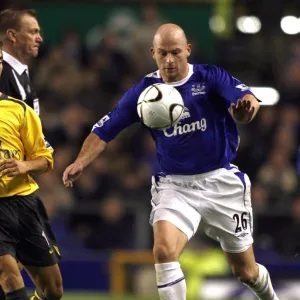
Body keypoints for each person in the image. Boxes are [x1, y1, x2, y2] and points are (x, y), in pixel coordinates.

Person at [63, 23, 279, 300]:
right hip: (175, 186)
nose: (169, 60)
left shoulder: (209, 77)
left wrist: (246, 111)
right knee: (164, 251)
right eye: (162, 53)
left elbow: (247, 100)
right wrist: (80, 162)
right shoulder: (144, 92)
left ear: (187, 50)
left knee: (245, 272)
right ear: (153, 53)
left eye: (175, 52)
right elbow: (103, 129)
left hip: (221, 182)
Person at [0, 9, 61, 300]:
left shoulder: (21, 80)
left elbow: (34, 145)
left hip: (22, 196)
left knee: (52, 290)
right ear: (12, 36)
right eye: (33, 31)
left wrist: (29, 165)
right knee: (9, 277)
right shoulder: (6, 75)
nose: (40, 38)